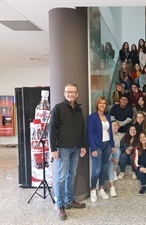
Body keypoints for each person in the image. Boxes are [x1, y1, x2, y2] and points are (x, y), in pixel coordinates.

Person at [49, 84, 87, 220]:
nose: (70, 94)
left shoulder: (78, 109)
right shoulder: (58, 108)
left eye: (73, 92)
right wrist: (53, 148)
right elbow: (51, 129)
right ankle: (60, 206)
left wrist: (83, 145)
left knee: (72, 175)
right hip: (63, 148)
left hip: (76, 148)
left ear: (77, 94)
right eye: (68, 92)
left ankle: (69, 201)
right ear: (64, 93)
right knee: (61, 177)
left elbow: (82, 129)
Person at [88, 97, 115, 202]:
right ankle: (93, 190)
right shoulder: (92, 117)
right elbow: (90, 133)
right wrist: (93, 148)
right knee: (97, 169)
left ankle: (101, 189)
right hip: (97, 146)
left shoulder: (108, 117)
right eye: (100, 103)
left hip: (107, 145)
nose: (102, 105)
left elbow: (110, 132)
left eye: (104, 103)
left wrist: (112, 145)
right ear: (97, 105)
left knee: (104, 168)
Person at [108, 120, 123, 196]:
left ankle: (115, 170)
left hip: (116, 153)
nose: (116, 127)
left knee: (117, 151)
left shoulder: (120, 135)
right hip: (108, 153)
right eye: (114, 125)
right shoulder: (107, 135)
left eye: (117, 125)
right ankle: (111, 186)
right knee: (112, 153)